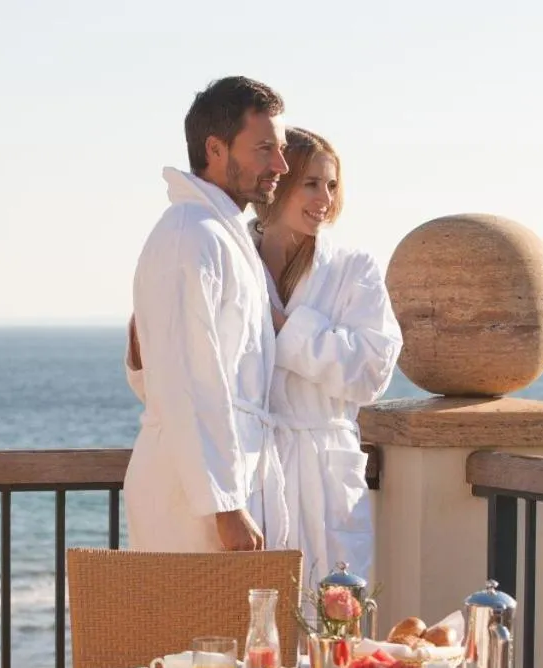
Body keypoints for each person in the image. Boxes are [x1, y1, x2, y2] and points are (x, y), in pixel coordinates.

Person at [128, 126, 401, 584]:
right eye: (311, 183)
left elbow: (372, 371)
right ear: (280, 184)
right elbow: (193, 377)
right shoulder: (227, 255)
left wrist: (286, 329)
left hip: (323, 468)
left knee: (327, 619)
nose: (325, 199)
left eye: (332, 185)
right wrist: (143, 356)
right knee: (253, 622)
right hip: (251, 467)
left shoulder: (353, 268)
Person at [124, 76, 290, 555]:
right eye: (264, 149)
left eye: (279, 149)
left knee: (239, 631)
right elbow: (184, 378)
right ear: (215, 149)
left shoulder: (220, 234)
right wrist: (224, 506)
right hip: (192, 500)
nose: (280, 164)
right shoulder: (189, 236)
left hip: (222, 485)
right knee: (190, 632)